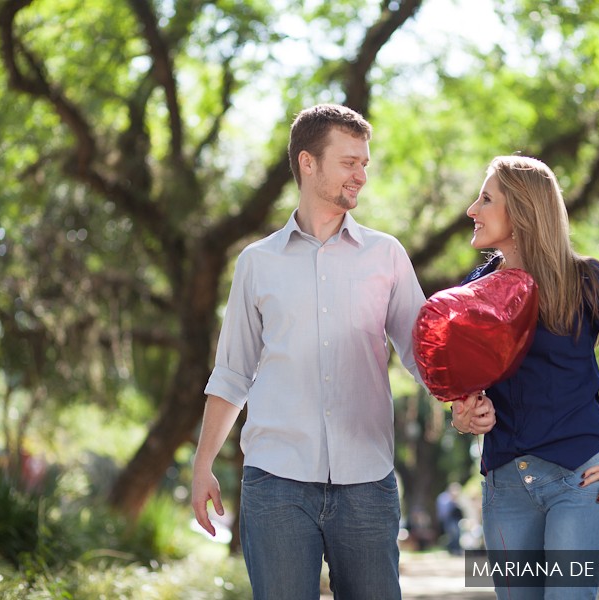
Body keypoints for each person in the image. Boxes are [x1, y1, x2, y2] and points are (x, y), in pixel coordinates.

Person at [191, 103, 427, 600]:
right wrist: (202, 463)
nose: (361, 175)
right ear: (307, 163)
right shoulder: (256, 263)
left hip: (367, 479)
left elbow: (423, 351)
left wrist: (465, 399)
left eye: (365, 163)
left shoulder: (386, 255)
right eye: (349, 162)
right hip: (276, 482)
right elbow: (233, 372)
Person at [451, 155, 599, 599]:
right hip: (505, 486)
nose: (472, 210)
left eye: (486, 199)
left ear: (524, 212)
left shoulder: (585, 279)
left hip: (580, 481)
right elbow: (465, 385)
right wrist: (464, 415)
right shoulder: (476, 286)